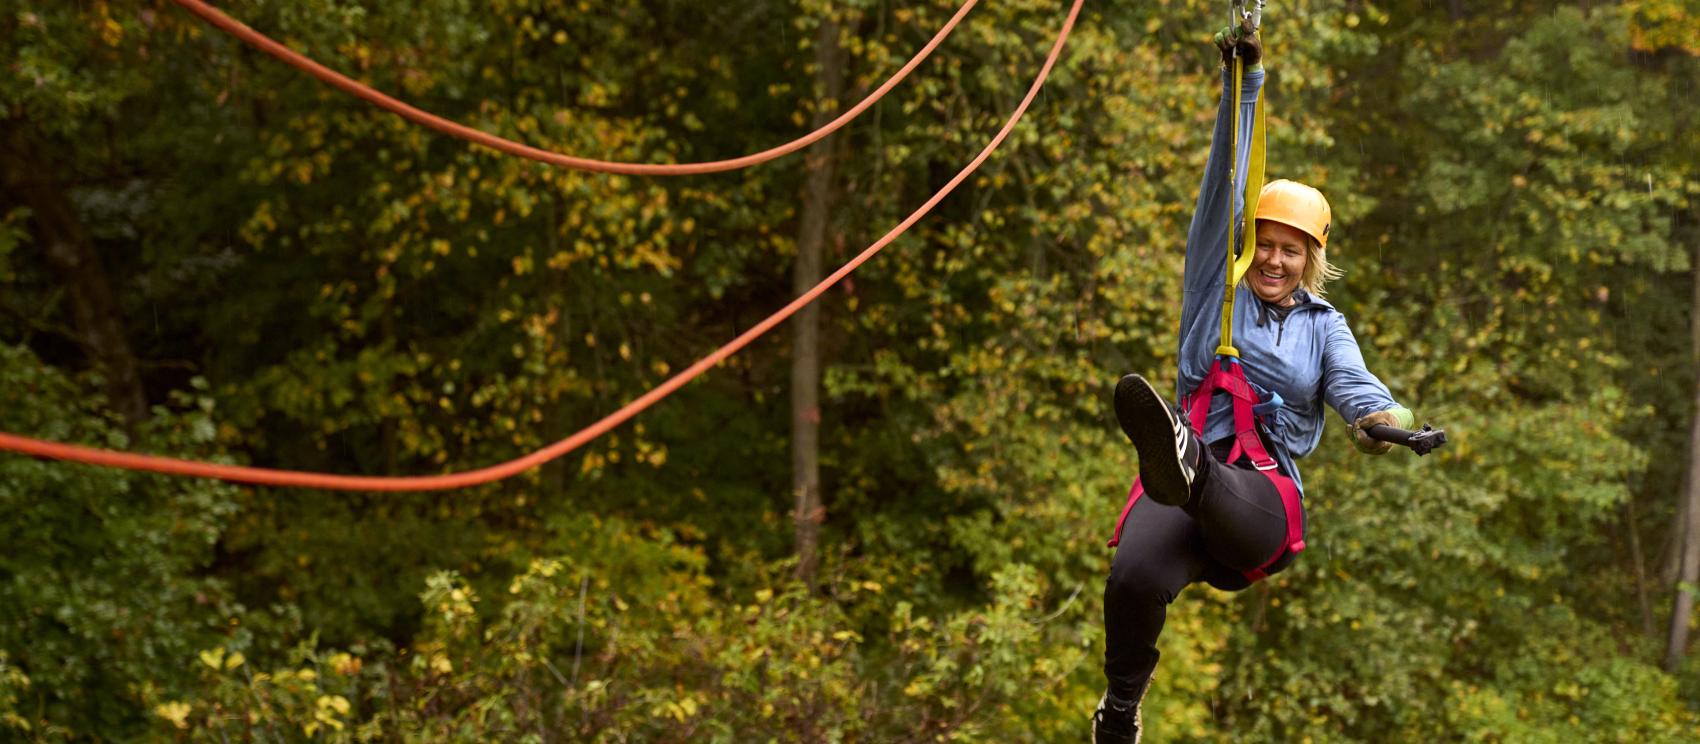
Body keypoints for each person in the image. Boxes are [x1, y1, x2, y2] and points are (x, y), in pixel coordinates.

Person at [1091, 27, 1416, 744]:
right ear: (1245, 244)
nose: (1273, 258)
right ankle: (1119, 710)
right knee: (1133, 577)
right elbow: (1222, 187)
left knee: (1207, 482)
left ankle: (1187, 465)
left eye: (1289, 250)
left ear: (1310, 259)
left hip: (1258, 498)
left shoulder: (1324, 327)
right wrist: (1243, 83)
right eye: (1263, 243)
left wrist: (1383, 422)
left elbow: (1355, 387)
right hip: (1185, 484)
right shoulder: (1216, 289)